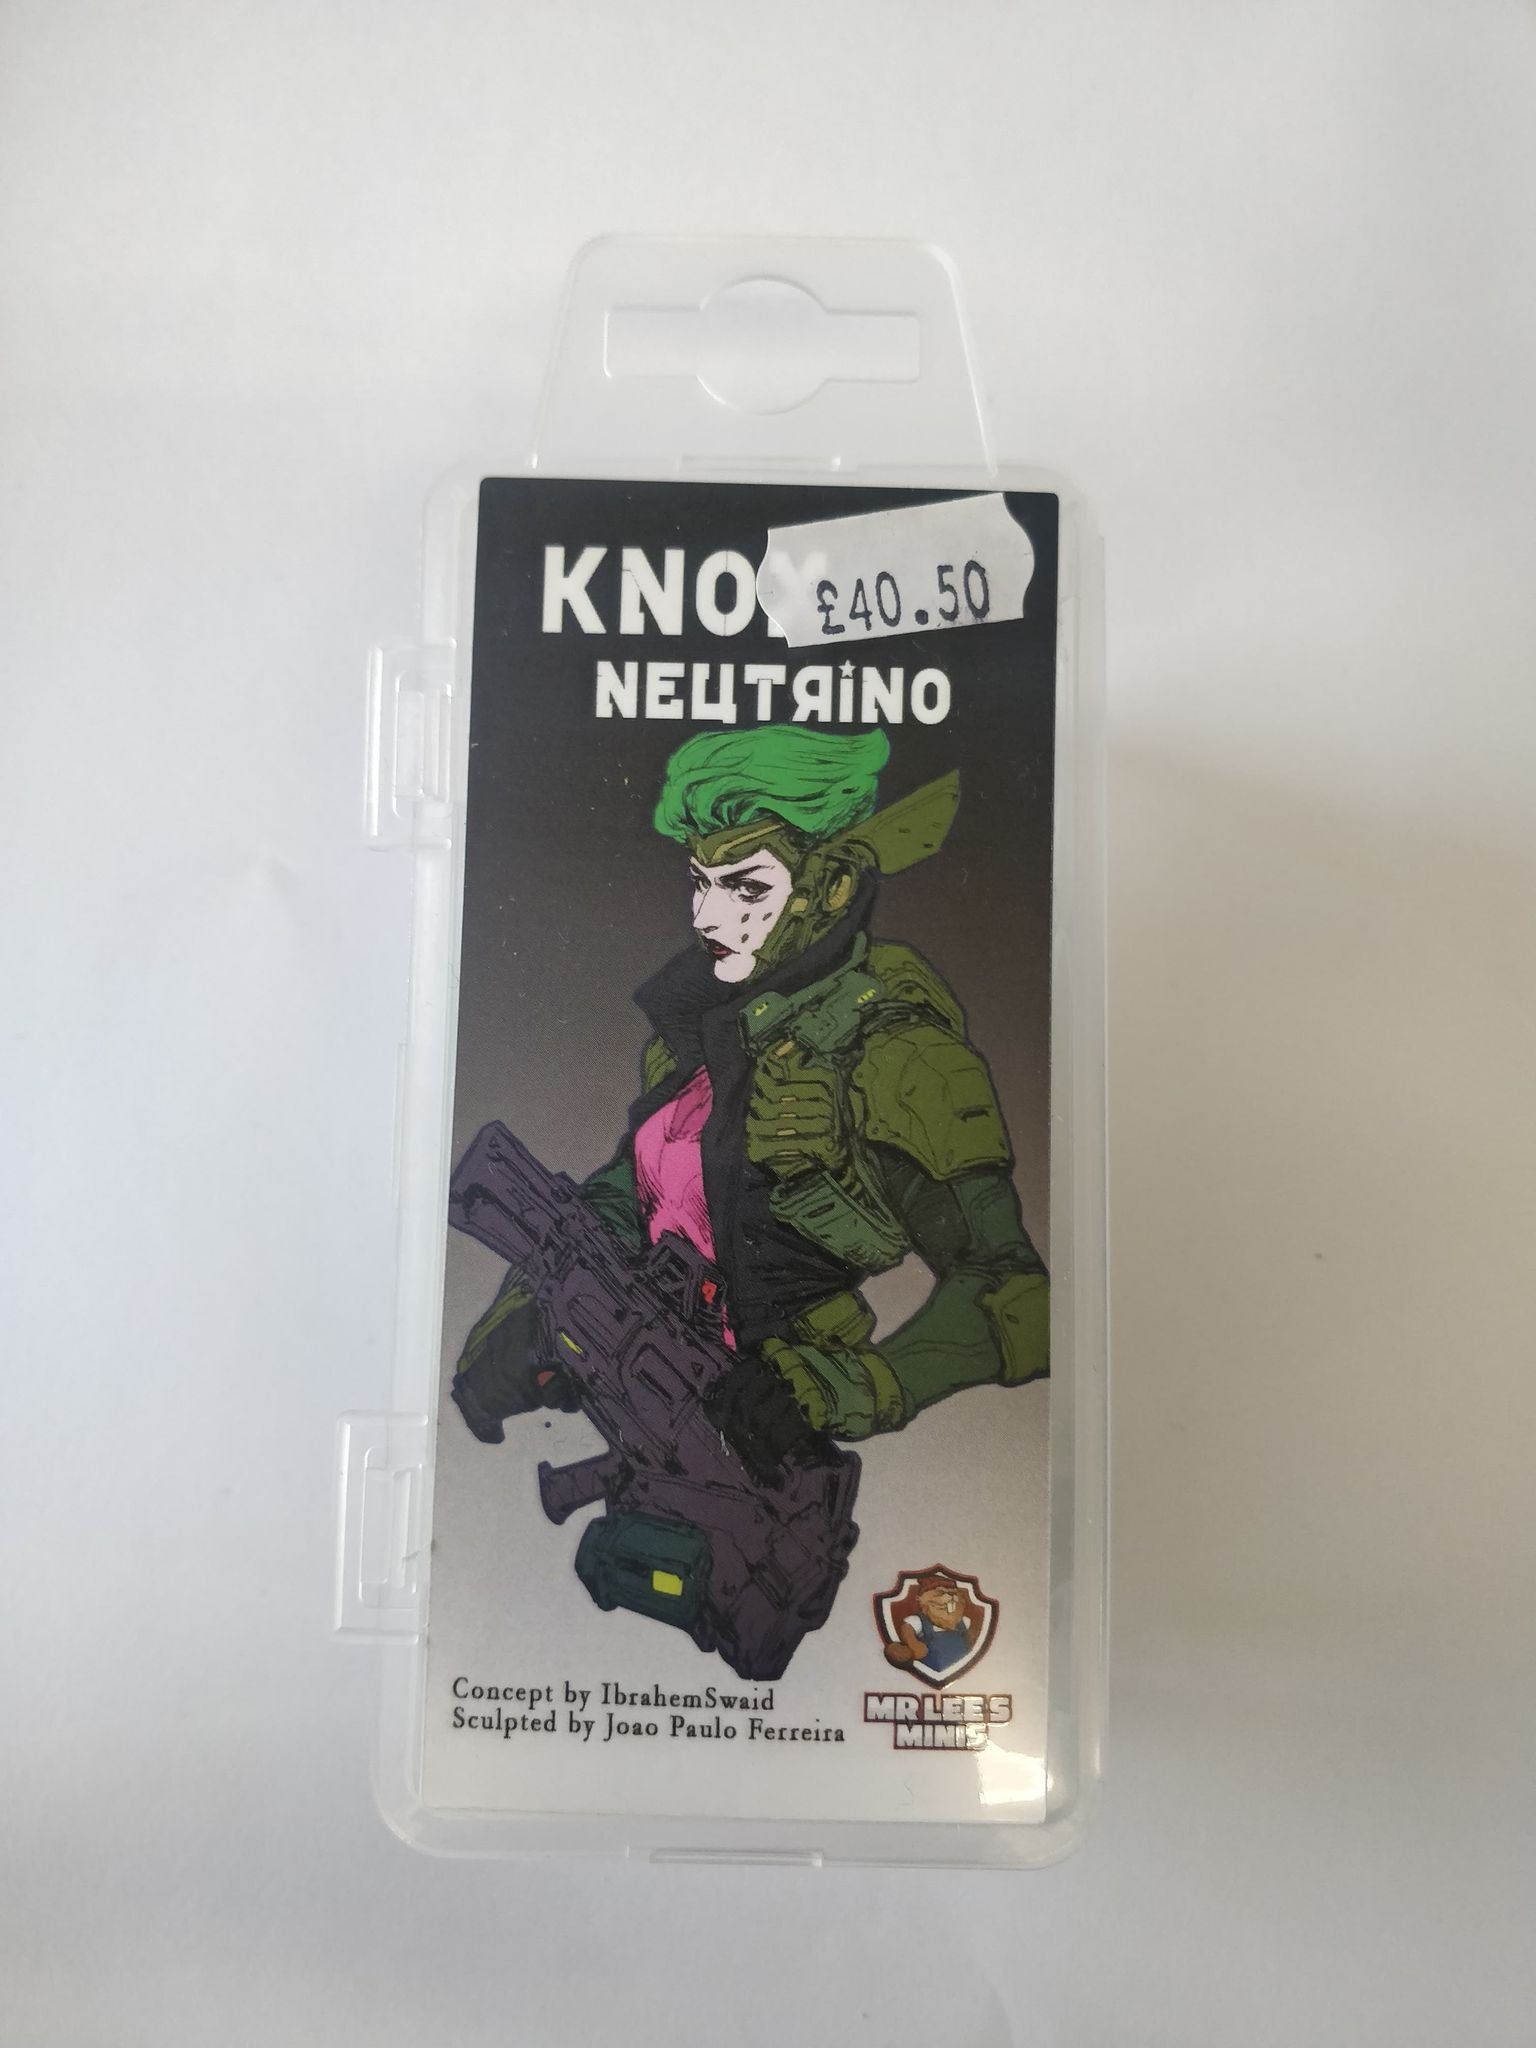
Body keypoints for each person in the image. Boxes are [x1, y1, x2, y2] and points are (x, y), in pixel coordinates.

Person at [451, 725, 1048, 1475]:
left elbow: (1017, 1296)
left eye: (748, 888)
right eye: (700, 880)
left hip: (761, 1457)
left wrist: (846, 1389)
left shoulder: (897, 1056)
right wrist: (525, 1319)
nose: (707, 917)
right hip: (651, 1416)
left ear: (830, 888)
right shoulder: (699, 1040)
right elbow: (630, 1198)